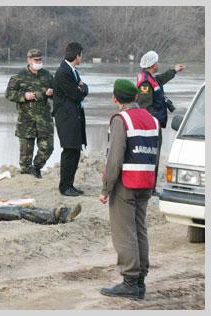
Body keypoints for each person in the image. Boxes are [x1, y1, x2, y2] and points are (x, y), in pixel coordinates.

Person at [99, 79, 159, 300]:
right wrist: (152, 183)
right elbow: (156, 154)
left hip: (126, 184)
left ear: (116, 99)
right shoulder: (152, 119)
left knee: (125, 233)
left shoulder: (120, 119)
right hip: (146, 182)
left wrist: (106, 189)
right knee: (140, 230)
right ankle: (140, 280)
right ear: (135, 97)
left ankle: (130, 282)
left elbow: (114, 159)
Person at [136, 51, 185, 195]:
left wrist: (174, 71)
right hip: (152, 126)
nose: (158, 64)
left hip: (155, 124)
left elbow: (161, 79)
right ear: (152, 65)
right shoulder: (145, 82)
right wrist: (154, 123)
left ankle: (150, 187)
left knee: (154, 156)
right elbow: (145, 107)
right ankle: (149, 188)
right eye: (156, 62)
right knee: (152, 156)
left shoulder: (150, 78)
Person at [5, 48, 54, 178]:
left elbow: (56, 93)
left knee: (48, 147)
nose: (38, 62)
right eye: (35, 59)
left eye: (39, 59)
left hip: (44, 119)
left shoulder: (47, 75)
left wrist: (51, 93)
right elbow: (9, 94)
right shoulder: (19, 77)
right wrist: (24, 96)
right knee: (26, 154)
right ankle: (27, 174)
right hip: (26, 120)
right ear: (29, 60)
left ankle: (37, 167)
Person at [52, 42, 89, 196]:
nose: (81, 57)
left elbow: (79, 90)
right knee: (69, 150)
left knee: (75, 151)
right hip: (66, 118)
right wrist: (84, 88)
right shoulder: (63, 72)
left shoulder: (72, 71)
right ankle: (64, 186)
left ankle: (70, 184)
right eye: (81, 54)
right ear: (76, 55)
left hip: (74, 116)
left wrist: (82, 87)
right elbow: (77, 94)